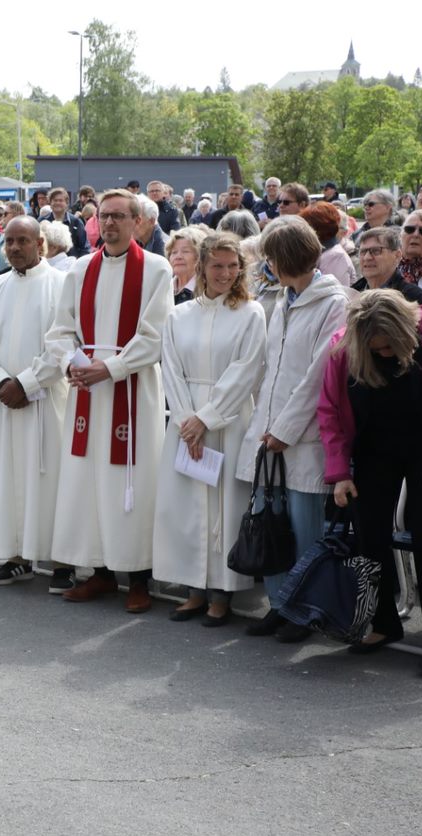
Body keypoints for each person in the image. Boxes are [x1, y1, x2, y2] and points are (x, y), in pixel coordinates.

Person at [319, 290, 422, 675]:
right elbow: (330, 412)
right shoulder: (343, 348)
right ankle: (382, 623)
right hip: (372, 451)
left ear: (404, 334)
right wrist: (339, 472)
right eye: (375, 349)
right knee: (370, 536)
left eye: (388, 347)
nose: (382, 355)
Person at [45, 189, 174, 608]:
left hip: (133, 390)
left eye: (120, 216)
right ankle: (97, 571)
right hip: (87, 391)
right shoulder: (81, 270)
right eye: (105, 216)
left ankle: (138, 578)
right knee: (87, 482)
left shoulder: (155, 270)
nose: (112, 223)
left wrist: (111, 368)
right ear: (95, 222)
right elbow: (60, 330)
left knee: (131, 481)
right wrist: (71, 363)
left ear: (137, 222)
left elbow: (155, 335)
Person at [236, 217, 348, 642]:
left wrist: (284, 428)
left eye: (270, 259)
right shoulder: (284, 299)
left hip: (301, 438)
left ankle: (305, 610)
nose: (266, 267)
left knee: (304, 529)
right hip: (270, 433)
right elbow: (273, 368)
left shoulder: (332, 302)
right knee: (270, 523)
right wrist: (266, 425)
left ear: (283, 260)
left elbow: (320, 373)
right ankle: (278, 605)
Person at [154, 233, 267, 625]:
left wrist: (207, 419)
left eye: (232, 266)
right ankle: (193, 588)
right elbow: (171, 369)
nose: (225, 273)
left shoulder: (251, 313)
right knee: (187, 505)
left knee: (225, 508)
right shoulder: (179, 315)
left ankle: (223, 592)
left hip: (229, 419)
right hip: (186, 423)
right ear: (202, 266)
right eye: (217, 265)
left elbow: (247, 370)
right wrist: (187, 420)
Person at [0, 217, 68, 587]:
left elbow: (64, 345)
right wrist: (0, 382)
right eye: (9, 241)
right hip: (3, 403)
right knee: (6, 478)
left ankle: (61, 562)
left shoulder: (61, 285)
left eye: (22, 241)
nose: (13, 248)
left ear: (40, 244)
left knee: (51, 478)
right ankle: (14, 555)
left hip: (46, 401)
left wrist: (26, 383)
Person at [353, 226, 422, 305]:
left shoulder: (413, 298)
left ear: (397, 255)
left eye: (376, 251)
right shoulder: (352, 294)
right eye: (363, 251)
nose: (367, 257)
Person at [301, 201, 357, 288]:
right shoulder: (324, 250)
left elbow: (330, 292)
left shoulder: (334, 255)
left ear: (316, 228)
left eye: (305, 225)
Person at [43, 187, 90, 258]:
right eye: (55, 200)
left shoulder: (76, 222)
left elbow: (84, 248)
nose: (58, 203)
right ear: (50, 203)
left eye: (61, 200)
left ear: (67, 203)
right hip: (48, 265)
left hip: (72, 265)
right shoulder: (42, 221)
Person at [167, 226, 207, 305]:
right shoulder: (163, 288)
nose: (178, 257)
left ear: (199, 256)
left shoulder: (207, 292)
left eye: (185, 251)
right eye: (174, 252)